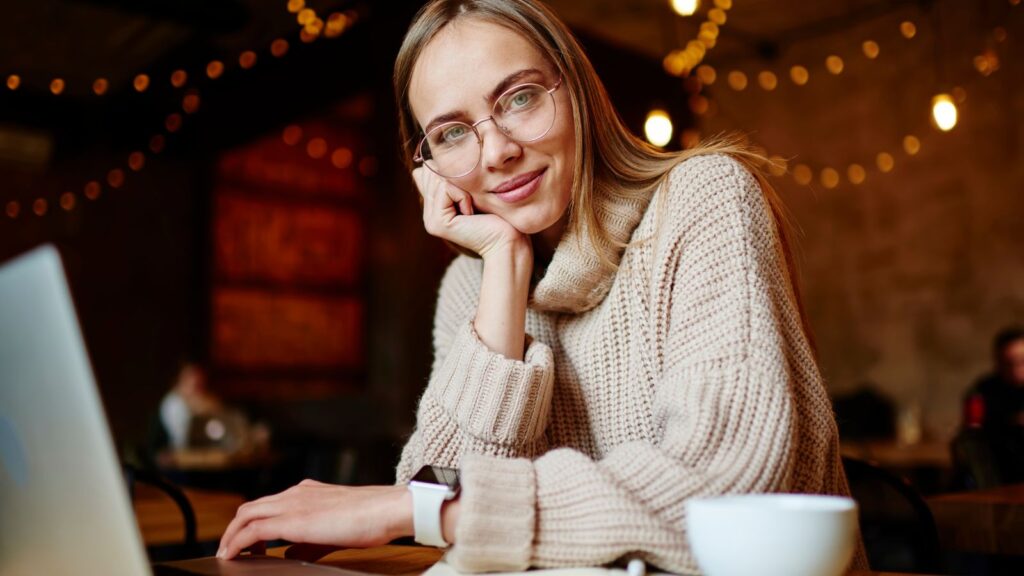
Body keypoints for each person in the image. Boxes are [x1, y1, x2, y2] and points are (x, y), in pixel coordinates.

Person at [218, 0, 864, 572]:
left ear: (575, 90)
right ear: (429, 165)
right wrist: (503, 267)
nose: (495, 151)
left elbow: (726, 495)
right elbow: (442, 483)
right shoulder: (469, 286)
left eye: (519, 97)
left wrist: (419, 512)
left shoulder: (705, 197)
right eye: (450, 133)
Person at [952, 326, 1024, 487]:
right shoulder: (983, 392)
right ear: (997, 362)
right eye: (1009, 363)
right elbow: (971, 435)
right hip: (996, 477)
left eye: (1022, 361)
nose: (1016, 369)